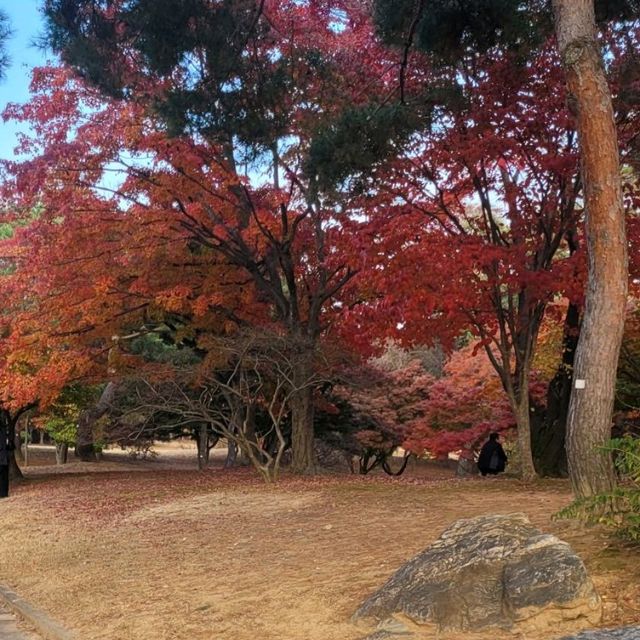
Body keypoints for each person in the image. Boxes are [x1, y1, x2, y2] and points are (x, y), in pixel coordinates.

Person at [0, 423, 9, 498]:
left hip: (2, 456)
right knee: (4, 476)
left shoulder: (3, 431)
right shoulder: (4, 430)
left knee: (3, 476)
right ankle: (4, 493)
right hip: (4, 456)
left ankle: (3, 493)